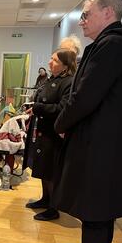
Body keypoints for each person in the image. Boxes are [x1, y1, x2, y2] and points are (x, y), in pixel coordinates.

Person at [53, 0, 122, 243]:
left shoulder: (113, 46)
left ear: (108, 13)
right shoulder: (114, 45)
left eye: (86, 15)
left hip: (101, 148)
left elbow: (84, 97)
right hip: (103, 144)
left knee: (95, 210)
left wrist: (61, 124)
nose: (81, 22)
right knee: (97, 210)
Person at [23, 49, 77, 221]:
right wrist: (34, 106)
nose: (49, 62)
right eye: (51, 58)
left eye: (54, 60)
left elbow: (62, 108)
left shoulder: (68, 82)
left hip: (54, 133)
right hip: (43, 130)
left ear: (64, 65)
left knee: (52, 171)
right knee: (43, 168)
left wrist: (38, 108)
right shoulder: (51, 79)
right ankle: (45, 199)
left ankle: (53, 208)